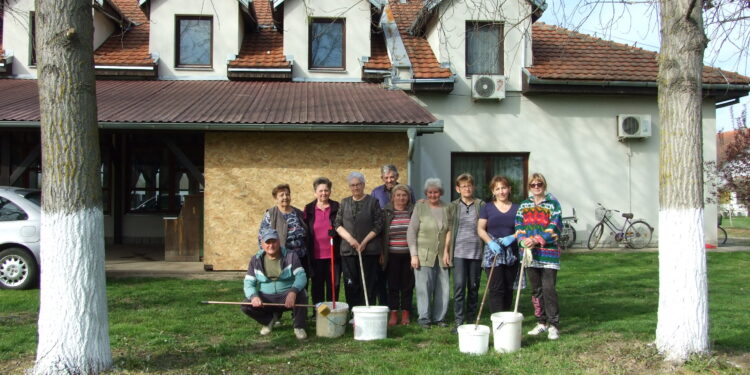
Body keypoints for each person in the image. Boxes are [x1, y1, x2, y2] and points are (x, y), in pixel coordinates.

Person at [515, 173, 562, 340]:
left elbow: (554, 226)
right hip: (530, 254)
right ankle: (541, 322)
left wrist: (537, 239)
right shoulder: (524, 205)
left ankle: (553, 324)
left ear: (544, 185)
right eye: (533, 184)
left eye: (539, 184)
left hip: (548, 254)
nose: (536, 187)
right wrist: (522, 240)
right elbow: (519, 224)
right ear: (529, 187)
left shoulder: (553, 204)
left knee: (549, 289)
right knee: (536, 290)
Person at [241, 229, 308, 340]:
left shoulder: (291, 256)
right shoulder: (255, 260)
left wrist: (293, 291)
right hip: (266, 298)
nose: (271, 245)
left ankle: (299, 326)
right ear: (262, 244)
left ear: (279, 242)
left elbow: (301, 276)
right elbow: (248, 282)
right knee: (246, 305)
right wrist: (253, 296)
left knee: (302, 294)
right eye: (268, 242)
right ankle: (268, 321)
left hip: (286, 296)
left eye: (274, 241)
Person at [334, 172, 384, 309]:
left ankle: (367, 310)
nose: (355, 188)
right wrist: (351, 240)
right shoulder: (344, 203)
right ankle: (354, 311)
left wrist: (365, 242)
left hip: (369, 250)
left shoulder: (373, 202)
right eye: (352, 185)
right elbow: (337, 224)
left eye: (358, 184)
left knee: (368, 283)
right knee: (351, 283)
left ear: (363, 185)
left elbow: (379, 224)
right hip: (348, 251)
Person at [408, 178, 452, 328]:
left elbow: (449, 231)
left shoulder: (448, 207)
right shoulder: (419, 207)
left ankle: (439, 318)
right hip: (423, 254)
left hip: (442, 255)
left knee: (443, 287)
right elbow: (411, 232)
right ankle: (424, 318)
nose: (433, 195)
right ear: (426, 193)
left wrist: (446, 250)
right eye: (430, 192)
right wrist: (414, 254)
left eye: (436, 192)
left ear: (441, 192)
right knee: (423, 287)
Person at [446, 173, 486, 332]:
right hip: (459, 252)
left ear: (473, 187)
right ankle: (459, 321)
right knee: (459, 287)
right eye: (463, 186)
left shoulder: (481, 205)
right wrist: (446, 251)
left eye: (469, 185)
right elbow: (449, 230)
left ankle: (471, 319)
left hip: (476, 252)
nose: (467, 188)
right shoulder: (453, 206)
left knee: (474, 286)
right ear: (458, 189)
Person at [370, 164, 414, 306]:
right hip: (385, 240)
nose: (389, 180)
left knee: (407, 280)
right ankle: (386, 306)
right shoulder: (376, 192)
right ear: (382, 178)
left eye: (392, 177)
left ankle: (406, 307)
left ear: (397, 177)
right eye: (386, 177)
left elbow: (413, 209)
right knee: (385, 278)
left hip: (405, 243)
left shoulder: (407, 190)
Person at [477, 176, 520, 315]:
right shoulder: (487, 208)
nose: (501, 191)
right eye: (498, 189)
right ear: (493, 191)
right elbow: (480, 229)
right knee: (496, 288)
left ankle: (506, 318)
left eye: (504, 188)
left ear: (509, 189)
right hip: (493, 252)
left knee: (508, 288)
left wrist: (512, 237)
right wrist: (490, 242)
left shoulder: (517, 208)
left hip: (511, 253)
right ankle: (497, 319)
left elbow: (523, 230)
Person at [303, 177, 341, 307]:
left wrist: (336, 232)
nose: (323, 193)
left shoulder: (336, 207)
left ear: (330, 191)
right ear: (315, 192)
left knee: (333, 285)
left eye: (326, 190)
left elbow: (342, 225)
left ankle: (331, 310)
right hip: (316, 256)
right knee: (317, 285)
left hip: (333, 256)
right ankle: (318, 312)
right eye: (320, 191)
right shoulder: (308, 209)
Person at [258, 184, 309, 276]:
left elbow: (306, 233)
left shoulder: (298, 213)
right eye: (281, 195)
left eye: (287, 194)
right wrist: (267, 257)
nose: (285, 197)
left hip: (300, 258)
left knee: (301, 285)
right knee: (284, 287)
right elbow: (262, 238)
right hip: (280, 258)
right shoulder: (270, 214)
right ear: (276, 198)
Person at [382, 184, 415, 326]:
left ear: (408, 197)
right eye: (398, 195)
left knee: (407, 285)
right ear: (393, 197)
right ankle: (394, 313)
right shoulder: (386, 212)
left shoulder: (413, 211)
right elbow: (381, 234)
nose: (401, 198)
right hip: (392, 254)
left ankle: (406, 312)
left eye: (404, 195)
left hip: (409, 254)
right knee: (393, 285)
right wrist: (382, 253)